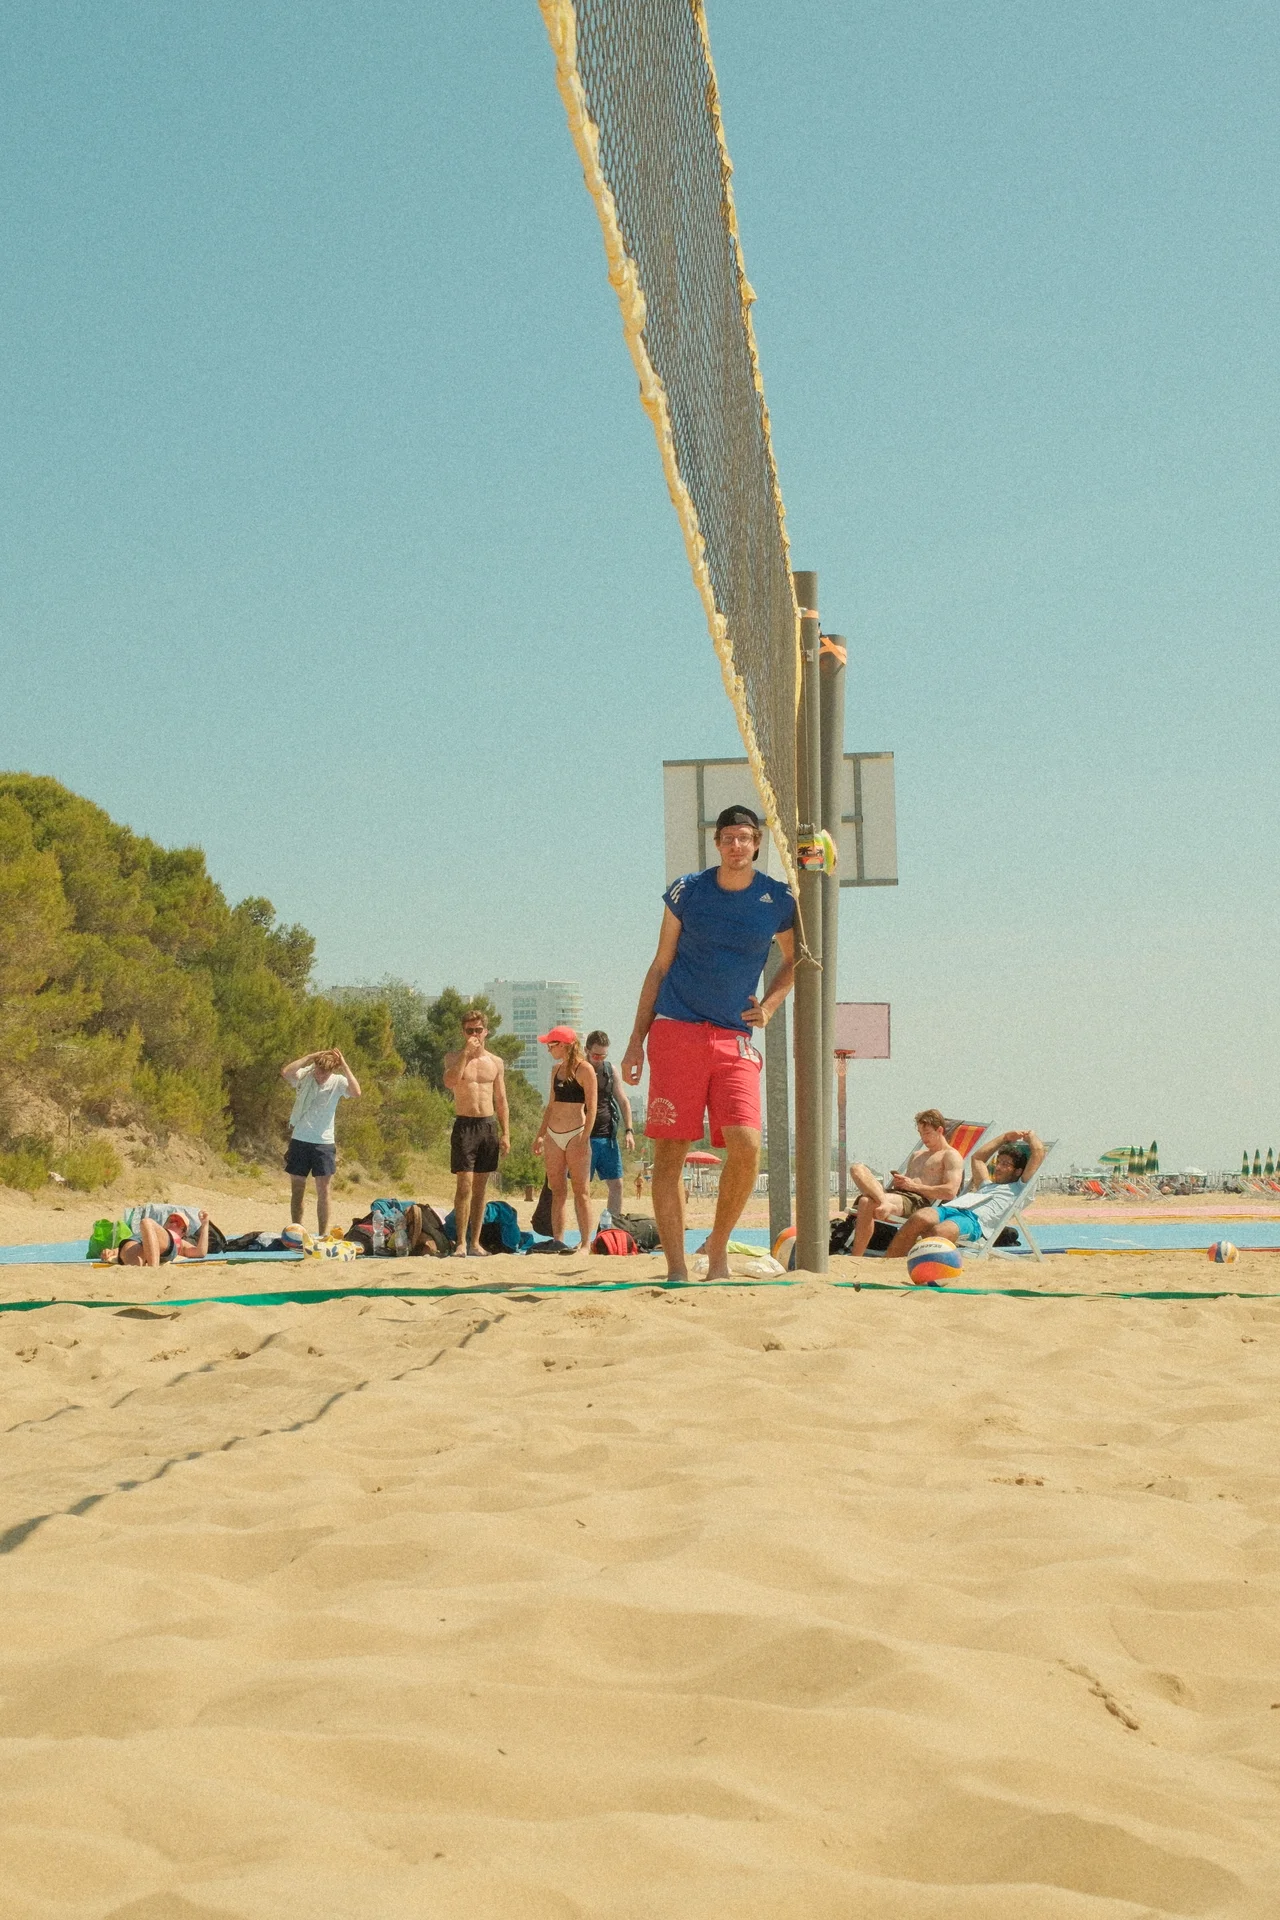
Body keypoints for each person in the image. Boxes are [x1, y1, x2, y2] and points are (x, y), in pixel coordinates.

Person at [622, 804, 795, 1282]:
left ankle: (717, 1250)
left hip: (734, 1038)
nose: (736, 846)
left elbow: (795, 956)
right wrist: (636, 1039)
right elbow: (659, 965)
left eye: (744, 837)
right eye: (728, 838)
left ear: (757, 842)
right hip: (675, 1030)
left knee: (745, 1145)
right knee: (671, 1151)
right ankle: (677, 1266)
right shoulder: (688, 890)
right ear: (716, 843)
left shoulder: (777, 898)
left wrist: (772, 1004)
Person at [886, 1130, 1046, 1261]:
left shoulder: (1019, 1188)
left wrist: (1031, 1136)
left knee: (940, 1232)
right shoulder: (987, 1185)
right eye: (998, 1162)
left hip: (973, 1221)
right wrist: (1004, 1138)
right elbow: (978, 1158)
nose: (998, 1167)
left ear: (1018, 1171)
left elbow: (1038, 1152)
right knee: (919, 1217)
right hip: (953, 1208)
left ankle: (922, 1267)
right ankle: (889, 1262)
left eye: (1005, 1164)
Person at [848, 1109, 962, 1256]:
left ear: (940, 1130)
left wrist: (913, 1186)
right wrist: (900, 1182)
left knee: (865, 1201)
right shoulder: (917, 1155)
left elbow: (950, 1192)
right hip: (898, 1196)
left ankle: (856, 1255)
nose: (923, 1138)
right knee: (857, 1168)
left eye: (927, 1133)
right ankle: (884, 1203)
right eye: (921, 1134)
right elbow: (907, 1182)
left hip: (918, 1202)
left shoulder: (950, 1155)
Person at [443, 1008, 510, 1257]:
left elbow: (501, 1099)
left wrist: (506, 1133)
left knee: (481, 1188)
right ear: (463, 1032)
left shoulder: (496, 1062)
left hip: (488, 1125)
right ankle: (461, 1242)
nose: (474, 1034)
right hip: (465, 1125)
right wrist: (465, 1054)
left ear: (486, 1031)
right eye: (469, 1030)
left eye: (478, 1030)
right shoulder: (453, 1057)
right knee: (464, 1185)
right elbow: (451, 1081)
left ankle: (475, 1242)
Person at [280, 1047, 361, 1237]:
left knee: (323, 1191)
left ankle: (322, 1234)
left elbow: (356, 1092)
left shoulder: (338, 1082)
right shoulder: (306, 1076)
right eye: (318, 1069)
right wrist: (309, 1056)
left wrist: (345, 1065)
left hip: (323, 1143)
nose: (320, 1074)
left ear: (332, 1070)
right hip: (300, 1139)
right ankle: (296, 1231)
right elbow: (286, 1072)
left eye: (325, 1071)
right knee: (297, 1188)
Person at [533, 1026, 598, 1251]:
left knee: (581, 1190)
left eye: (551, 1045)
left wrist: (585, 1138)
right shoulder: (556, 1070)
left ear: (563, 1045)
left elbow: (592, 1108)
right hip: (553, 1134)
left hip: (576, 1134)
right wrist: (540, 1135)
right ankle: (558, 1240)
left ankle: (586, 1243)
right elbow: (551, 1105)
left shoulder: (585, 1069)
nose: (549, 1050)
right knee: (557, 1189)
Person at [585, 1029, 634, 1218]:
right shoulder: (577, 1069)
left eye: (602, 1055)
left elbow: (623, 1101)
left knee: (617, 1184)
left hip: (607, 1137)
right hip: (583, 1138)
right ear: (586, 1050)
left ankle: (613, 1226)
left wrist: (629, 1130)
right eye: (595, 1054)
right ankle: (584, 1235)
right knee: (582, 1188)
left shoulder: (609, 1070)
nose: (598, 1058)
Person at [104, 1210, 210, 1267]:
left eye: (178, 1223)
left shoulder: (180, 1241)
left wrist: (205, 1225)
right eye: (171, 1220)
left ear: (183, 1233)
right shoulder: (150, 1230)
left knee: (146, 1222)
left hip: (167, 1245)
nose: (173, 1223)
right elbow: (138, 1242)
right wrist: (112, 1252)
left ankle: (153, 1271)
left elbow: (200, 1252)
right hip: (139, 1242)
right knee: (133, 1259)